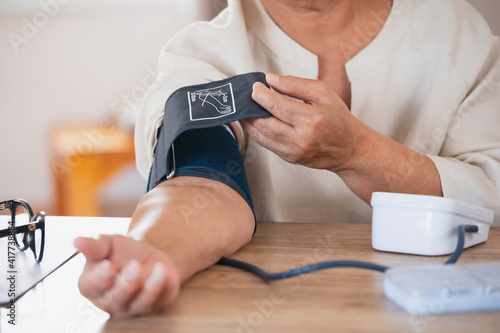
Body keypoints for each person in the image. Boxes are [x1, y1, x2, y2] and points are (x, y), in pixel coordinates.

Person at [74, 0, 500, 317]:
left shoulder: (459, 36)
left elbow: (491, 191)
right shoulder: (202, 55)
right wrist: (153, 251)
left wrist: (357, 152)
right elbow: (200, 183)